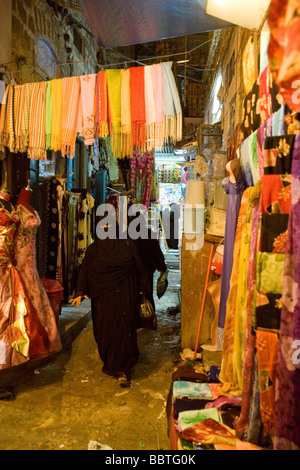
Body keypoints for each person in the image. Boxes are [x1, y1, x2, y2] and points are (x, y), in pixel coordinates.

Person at [70, 214, 151, 388]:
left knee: (109, 331)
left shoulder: (95, 249)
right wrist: (144, 290)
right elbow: (141, 269)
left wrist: (80, 291)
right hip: (125, 295)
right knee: (123, 327)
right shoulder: (126, 245)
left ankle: (118, 367)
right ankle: (124, 364)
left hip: (105, 299)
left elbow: (84, 270)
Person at [128, 213, 167, 312]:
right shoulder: (148, 233)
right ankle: (148, 317)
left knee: (131, 295)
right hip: (147, 270)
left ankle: (135, 319)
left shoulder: (126, 235)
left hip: (130, 271)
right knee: (147, 294)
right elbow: (156, 252)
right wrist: (161, 267)